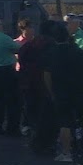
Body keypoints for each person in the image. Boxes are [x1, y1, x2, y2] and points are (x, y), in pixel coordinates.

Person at [44, 20, 83, 163]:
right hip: (79, 89)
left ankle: (66, 153)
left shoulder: (51, 53)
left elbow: (47, 75)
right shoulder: (78, 52)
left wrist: (51, 92)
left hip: (61, 91)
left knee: (65, 123)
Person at [18, 17, 53, 155]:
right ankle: (42, 141)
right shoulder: (50, 46)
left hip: (28, 82)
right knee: (45, 113)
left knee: (33, 110)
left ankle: (35, 137)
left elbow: (22, 61)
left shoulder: (29, 45)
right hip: (43, 84)